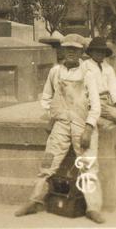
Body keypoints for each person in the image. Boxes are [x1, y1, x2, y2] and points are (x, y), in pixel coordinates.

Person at [15, 33, 104, 224]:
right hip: (61, 124)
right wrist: (52, 115)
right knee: (47, 164)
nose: (71, 52)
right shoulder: (55, 72)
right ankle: (35, 200)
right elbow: (46, 97)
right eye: (68, 48)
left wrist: (88, 128)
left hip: (82, 125)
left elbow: (96, 106)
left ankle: (93, 207)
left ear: (81, 52)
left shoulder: (88, 74)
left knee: (88, 167)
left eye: (75, 49)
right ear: (62, 50)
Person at [83, 36, 116, 126]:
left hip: (108, 101)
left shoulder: (108, 68)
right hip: (94, 102)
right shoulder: (85, 66)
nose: (100, 53)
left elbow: (113, 87)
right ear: (91, 52)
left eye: (102, 51)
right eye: (97, 51)